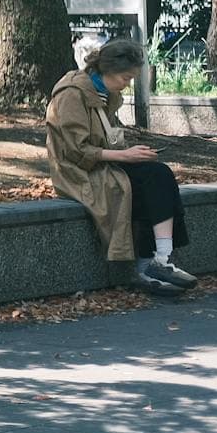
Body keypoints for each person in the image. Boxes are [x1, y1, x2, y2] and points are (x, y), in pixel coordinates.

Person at [45, 37, 195, 295]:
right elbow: (76, 150)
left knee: (158, 175)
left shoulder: (105, 92)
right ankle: (151, 264)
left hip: (103, 162)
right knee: (145, 184)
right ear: (108, 70)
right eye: (125, 78)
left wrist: (130, 152)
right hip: (79, 171)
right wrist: (125, 156)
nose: (127, 85)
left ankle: (161, 260)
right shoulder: (72, 93)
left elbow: (109, 136)